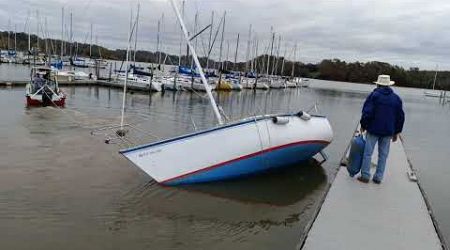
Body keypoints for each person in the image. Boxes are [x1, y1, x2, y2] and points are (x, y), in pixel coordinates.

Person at [358, 75, 405, 184]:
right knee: (383, 155)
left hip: (373, 129)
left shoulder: (374, 96)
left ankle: (365, 176)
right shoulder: (396, 99)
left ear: (378, 84)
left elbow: (367, 113)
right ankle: (378, 177)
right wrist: (396, 132)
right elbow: (400, 117)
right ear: (388, 85)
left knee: (368, 153)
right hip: (388, 131)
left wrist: (363, 125)